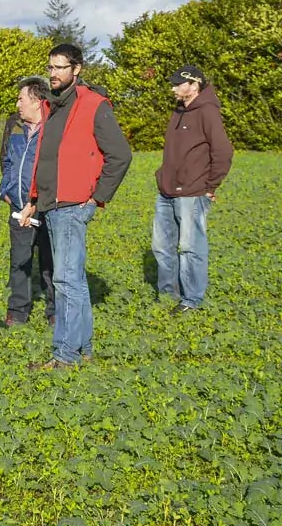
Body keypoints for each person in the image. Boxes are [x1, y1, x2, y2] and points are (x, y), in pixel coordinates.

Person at [18, 44, 133, 370]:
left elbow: (120, 155)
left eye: (60, 67)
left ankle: (64, 357)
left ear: (77, 69)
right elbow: (48, 156)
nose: (54, 73)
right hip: (52, 204)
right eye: (51, 67)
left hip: (72, 205)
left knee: (66, 281)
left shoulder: (94, 105)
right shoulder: (53, 106)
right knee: (73, 280)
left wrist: (97, 197)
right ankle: (82, 350)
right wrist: (35, 199)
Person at [152, 65, 233, 314]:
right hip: (166, 190)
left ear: (194, 85)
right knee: (162, 246)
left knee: (190, 247)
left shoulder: (207, 112)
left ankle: (192, 300)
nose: (173, 87)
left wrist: (210, 186)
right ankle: (167, 294)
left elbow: (223, 152)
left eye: (179, 83)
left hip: (192, 191)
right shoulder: (178, 112)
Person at [0, 77, 54, 327]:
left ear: (36, 101)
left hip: (45, 208)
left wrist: (37, 201)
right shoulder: (17, 129)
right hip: (17, 206)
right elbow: (7, 162)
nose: (17, 103)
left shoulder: (54, 130)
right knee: (19, 260)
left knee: (50, 261)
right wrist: (6, 191)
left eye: (21, 98)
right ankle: (18, 310)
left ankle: (54, 310)